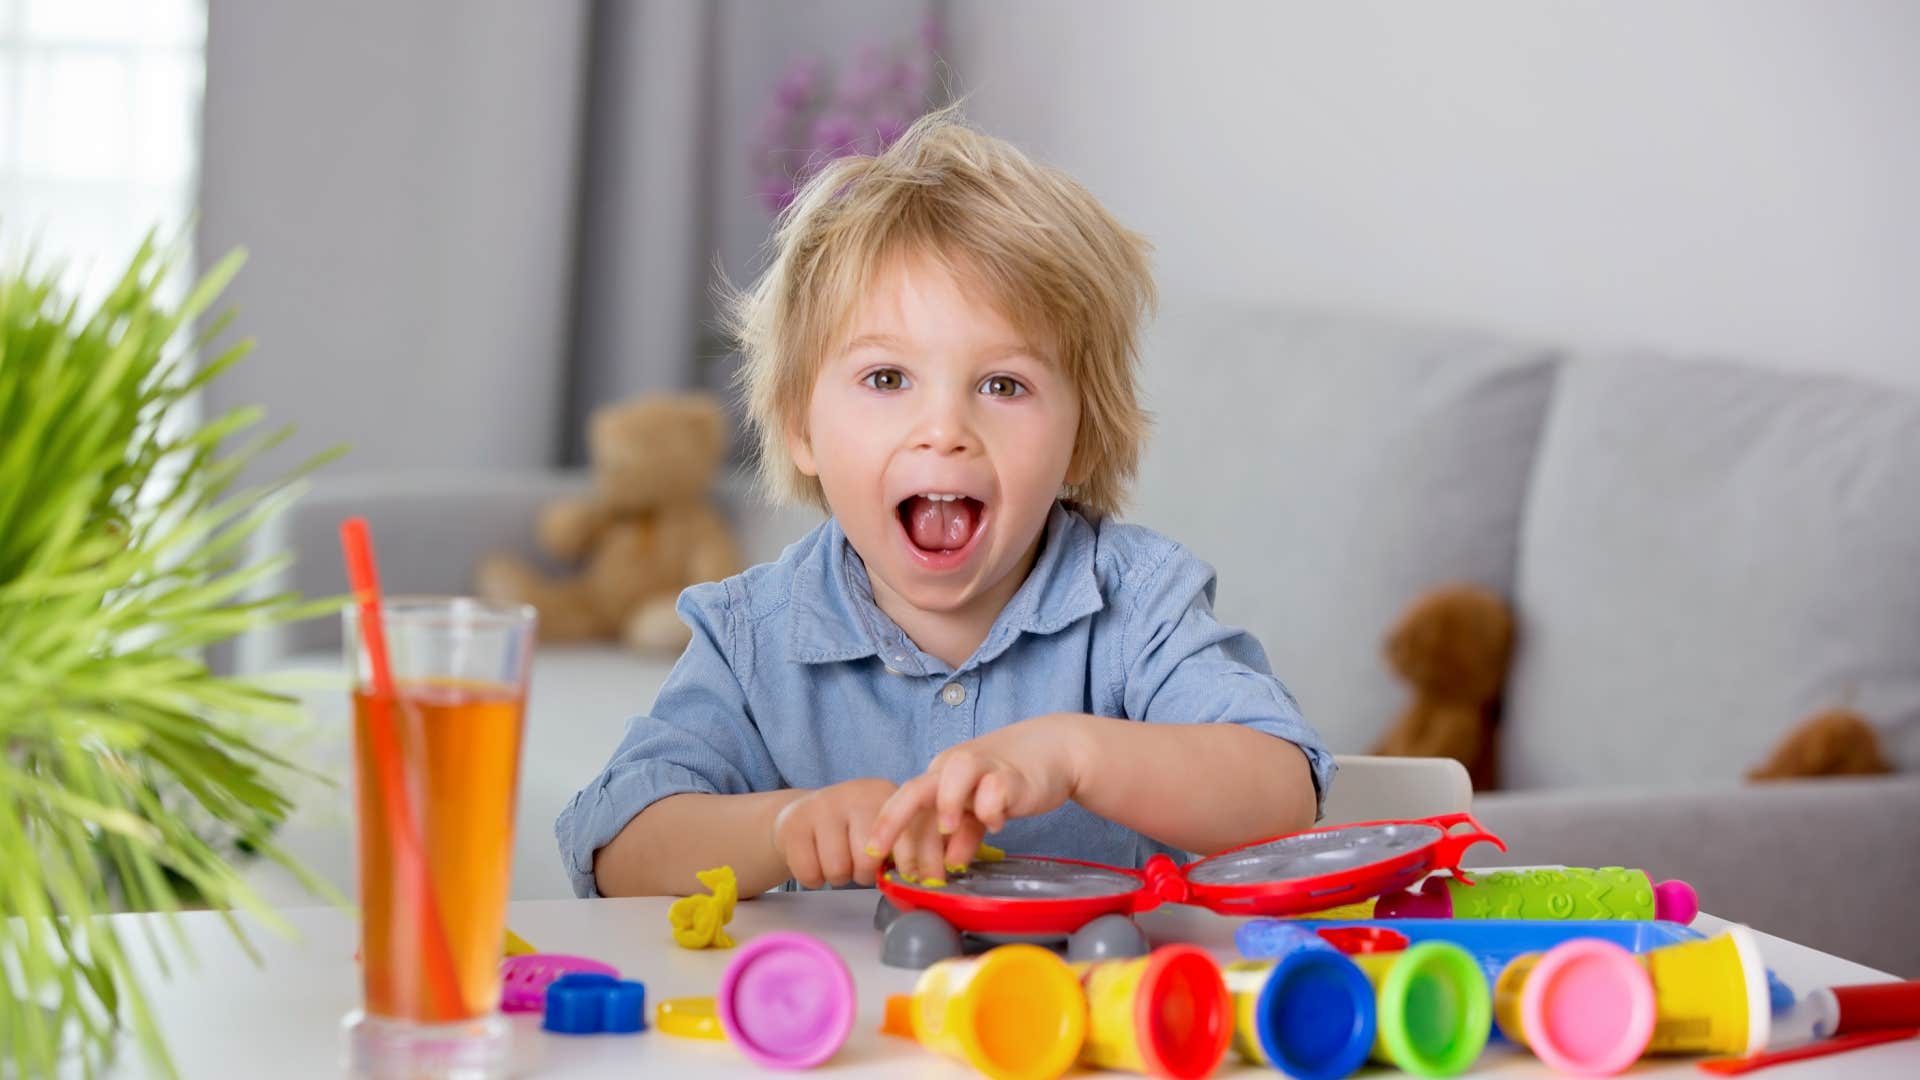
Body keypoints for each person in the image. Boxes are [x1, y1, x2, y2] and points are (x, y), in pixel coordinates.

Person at [558, 109, 1332, 899]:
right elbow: (616, 847)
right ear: (800, 427)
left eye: (1004, 385)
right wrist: (783, 828)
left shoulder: (1138, 608)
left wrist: (1074, 754)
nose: (944, 430)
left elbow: (1282, 794)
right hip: (846, 1024)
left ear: (1084, 440)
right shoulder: (752, 639)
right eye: (887, 379)